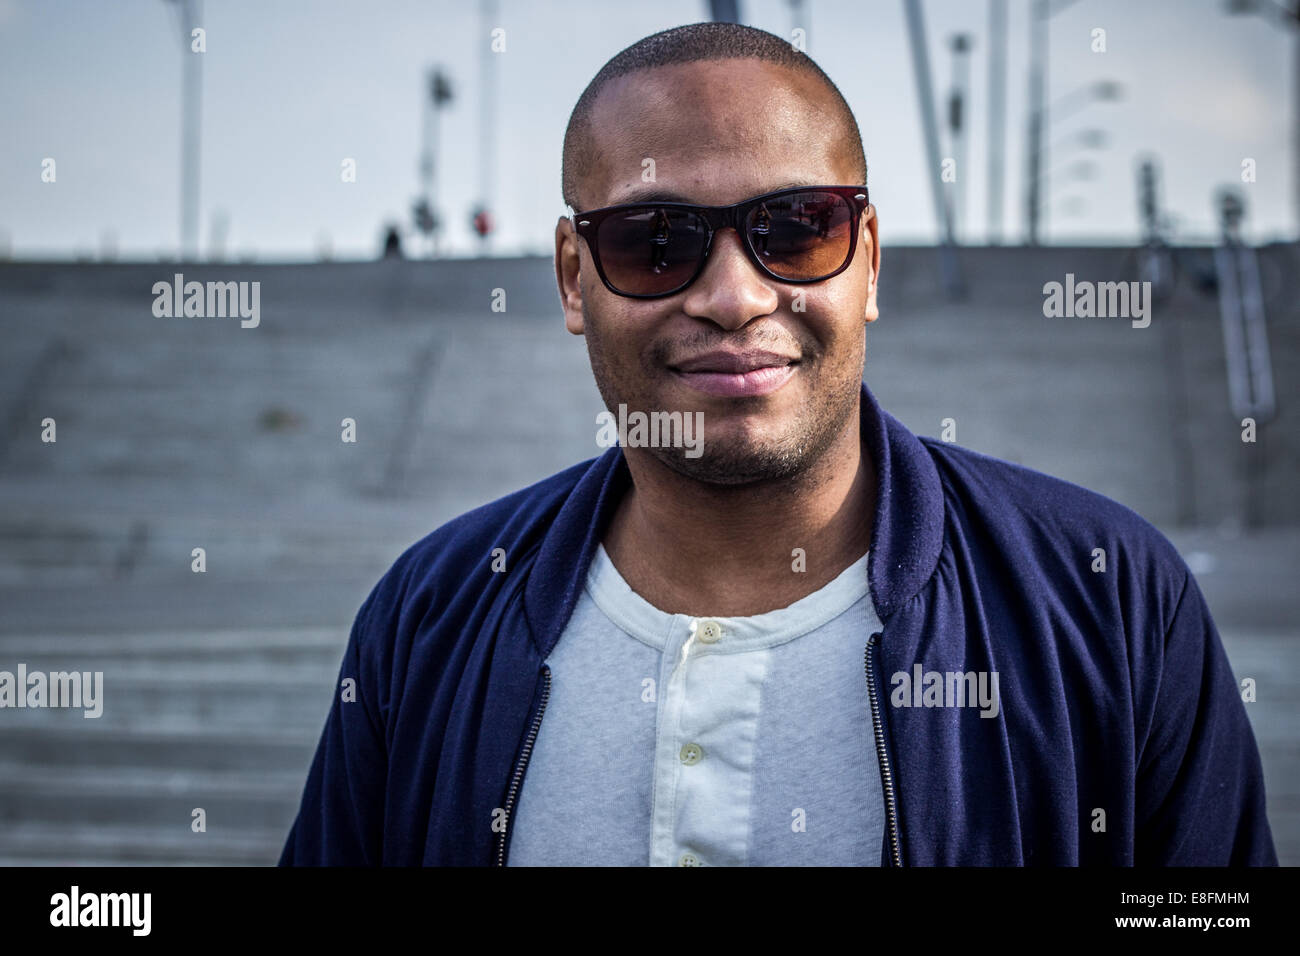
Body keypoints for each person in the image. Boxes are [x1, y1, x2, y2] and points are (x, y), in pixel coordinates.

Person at [280, 22, 1276, 867]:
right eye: (654, 240)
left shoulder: (1107, 596)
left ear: (870, 260)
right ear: (572, 278)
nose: (732, 297)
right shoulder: (430, 612)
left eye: (796, 229)